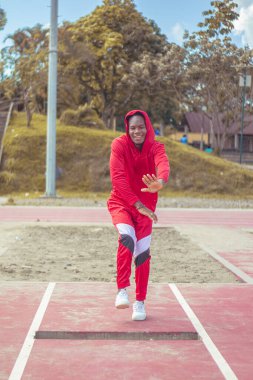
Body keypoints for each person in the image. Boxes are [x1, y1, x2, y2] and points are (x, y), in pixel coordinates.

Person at [107, 110, 170, 321]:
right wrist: (135, 203)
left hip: (146, 207)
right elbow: (117, 178)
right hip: (122, 203)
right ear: (127, 128)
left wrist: (160, 182)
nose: (137, 131)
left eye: (141, 127)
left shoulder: (156, 146)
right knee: (127, 238)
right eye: (133, 127)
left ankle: (140, 302)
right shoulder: (119, 145)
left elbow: (163, 164)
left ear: (147, 127)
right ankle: (122, 289)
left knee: (142, 253)